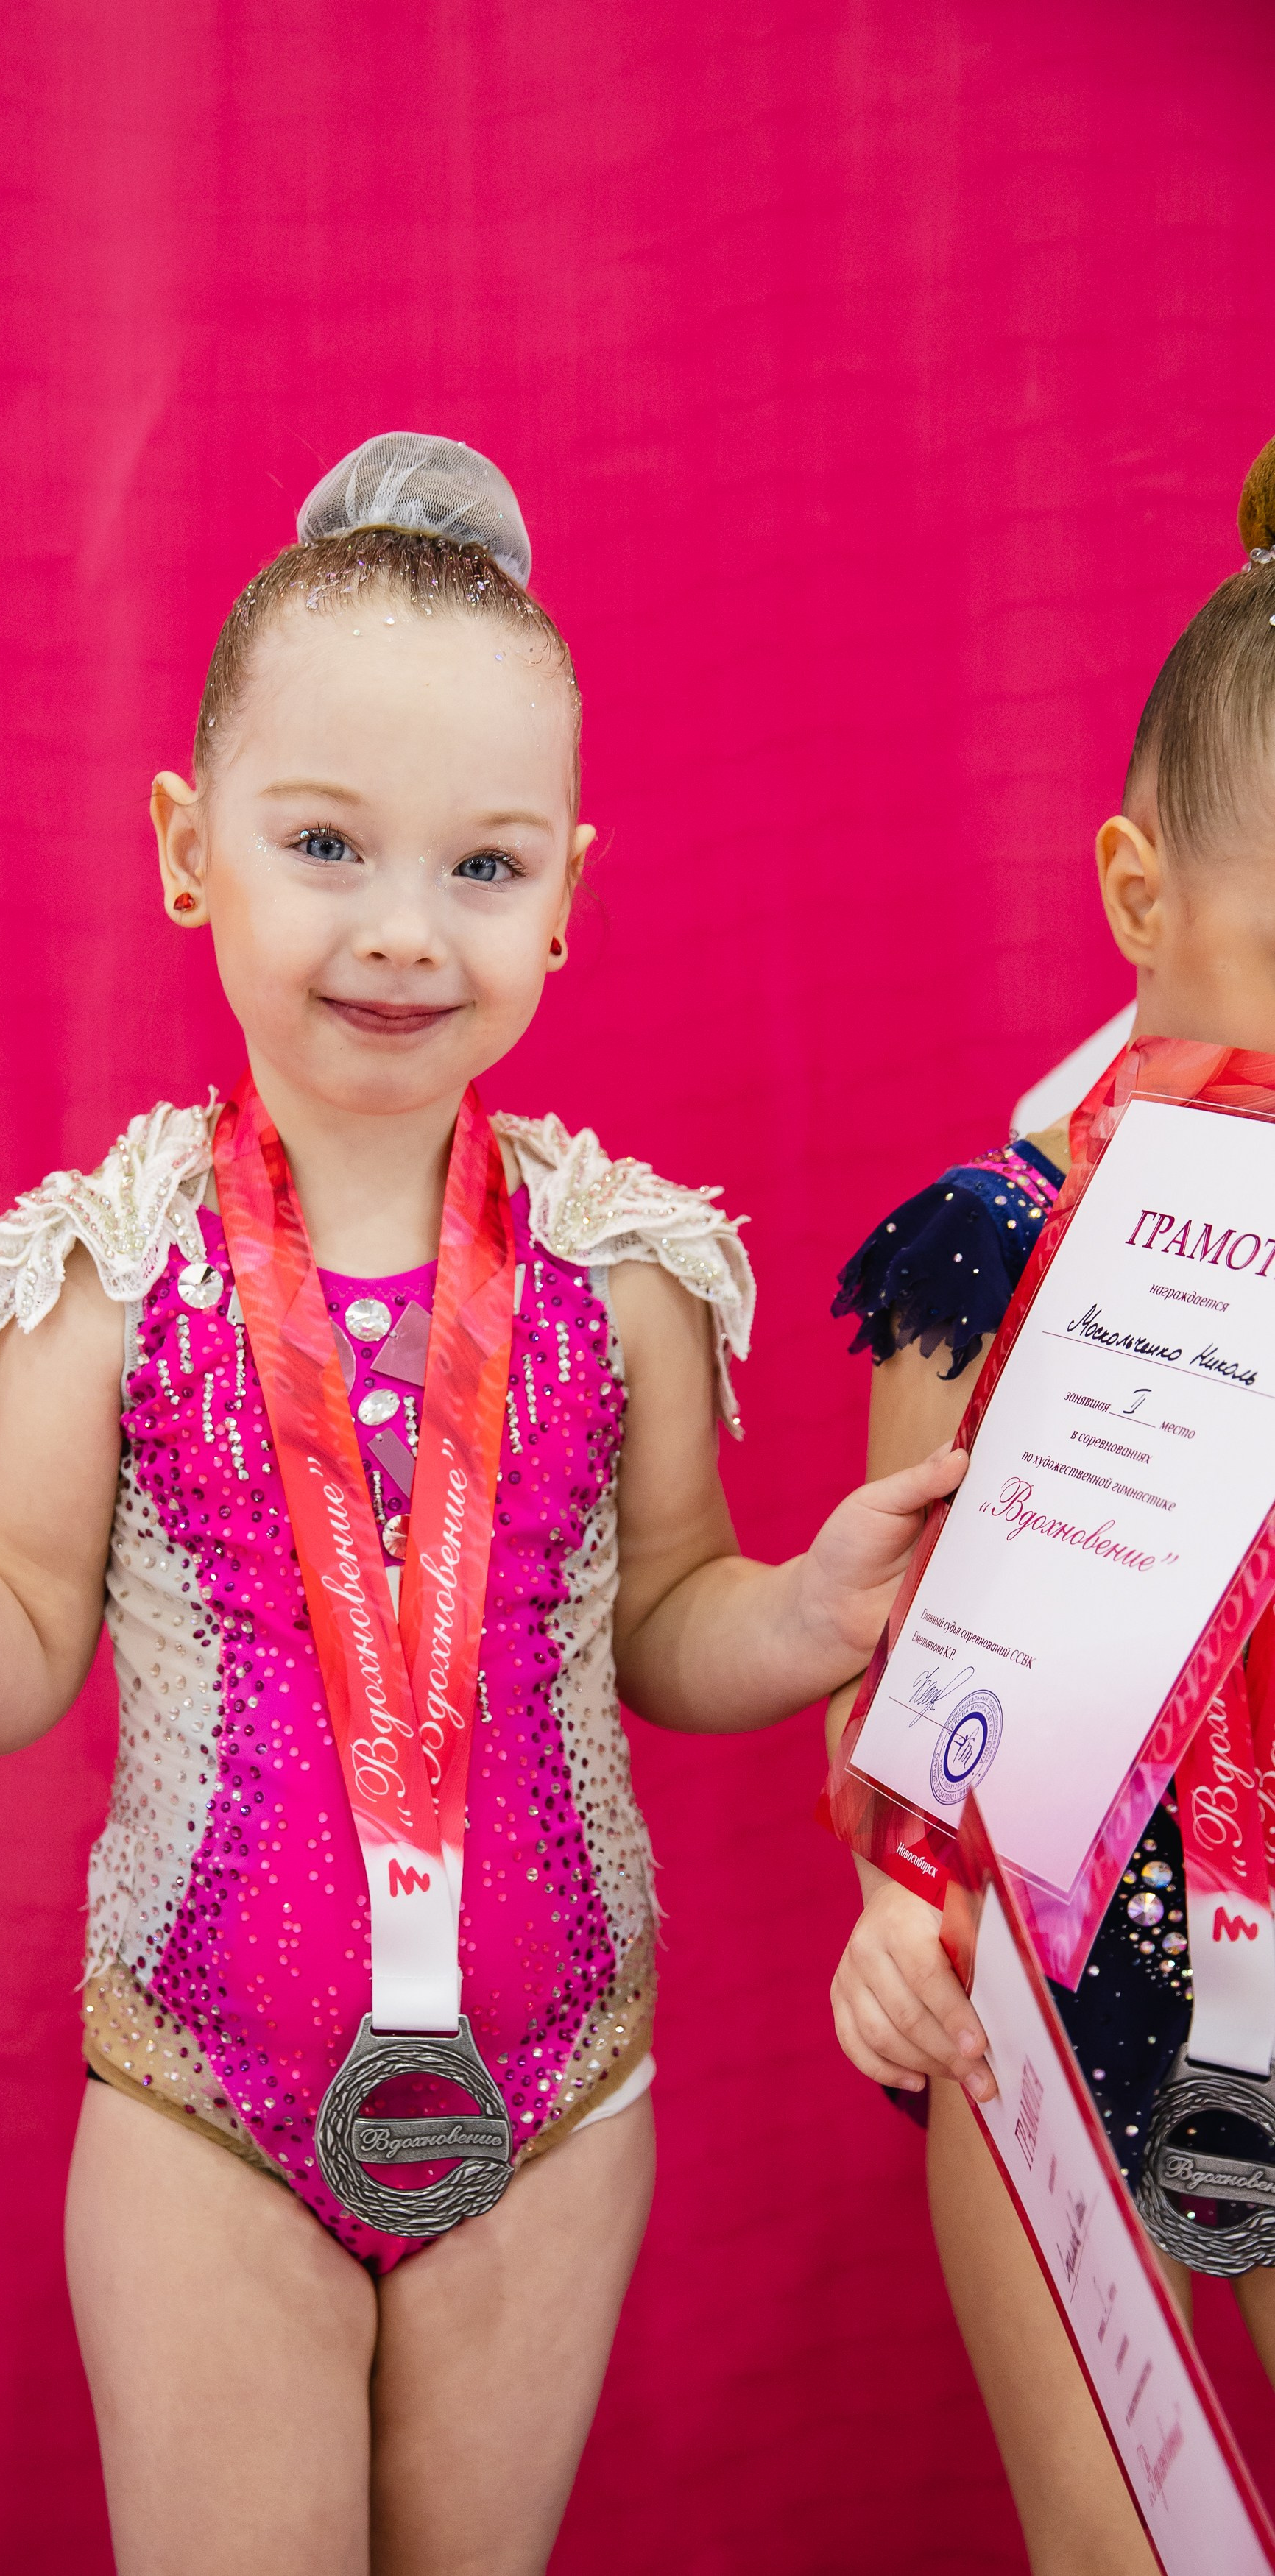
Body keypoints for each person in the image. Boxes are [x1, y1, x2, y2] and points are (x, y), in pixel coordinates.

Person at [0, 431, 959, 2576]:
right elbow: (21, 1647)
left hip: (558, 2094)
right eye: (326, 843)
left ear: (569, 894)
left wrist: (808, 1609)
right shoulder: (109, 1268)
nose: (405, 931)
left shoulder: (627, 1273)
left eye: (484, 869)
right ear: (186, 846)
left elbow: (663, 1617)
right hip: (199, 2105)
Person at [827, 434, 1275, 2575]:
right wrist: (895, 1900)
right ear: (1139, 896)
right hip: (1049, 2014)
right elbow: (901, 1693)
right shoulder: (987, 1249)